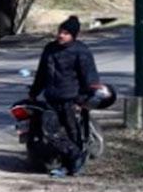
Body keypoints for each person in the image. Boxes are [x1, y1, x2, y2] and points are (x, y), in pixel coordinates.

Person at [29, 15, 101, 177]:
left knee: (73, 133)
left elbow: (90, 78)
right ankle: (74, 157)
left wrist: (82, 100)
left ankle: (74, 166)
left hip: (72, 100)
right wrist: (34, 92)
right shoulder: (50, 49)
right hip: (51, 98)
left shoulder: (81, 51)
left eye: (66, 33)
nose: (61, 35)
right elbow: (41, 73)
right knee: (51, 132)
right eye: (60, 31)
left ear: (73, 36)